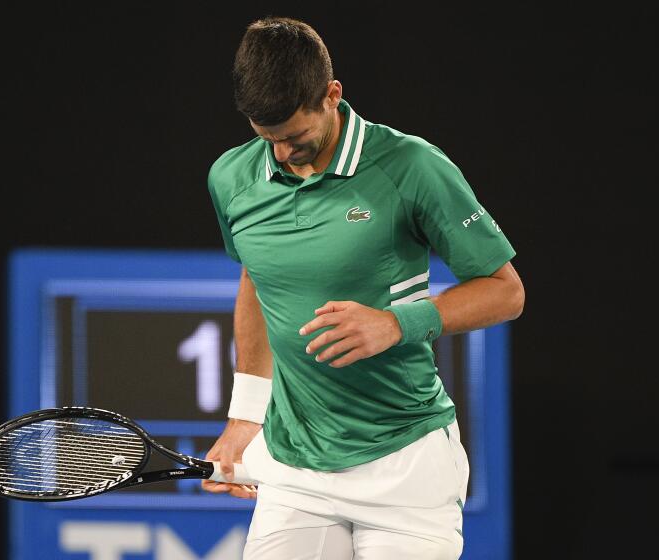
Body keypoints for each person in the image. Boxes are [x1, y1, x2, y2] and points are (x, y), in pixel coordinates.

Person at [202, 16, 524, 560]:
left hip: (407, 466)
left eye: (295, 137)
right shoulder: (231, 179)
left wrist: (399, 322)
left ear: (332, 95)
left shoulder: (411, 165)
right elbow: (256, 284)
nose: (281, 153)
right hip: (293, 463)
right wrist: (244, 416)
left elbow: (505, 290)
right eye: (268, 139)